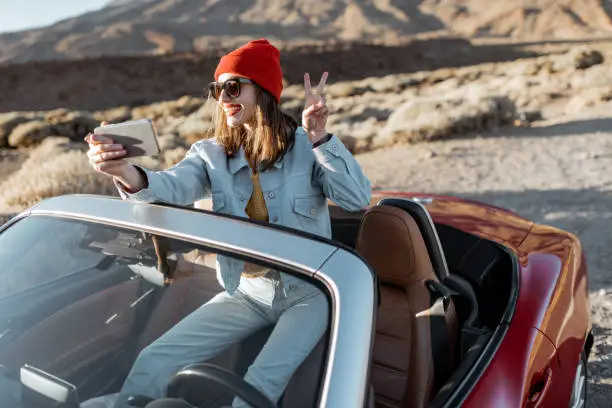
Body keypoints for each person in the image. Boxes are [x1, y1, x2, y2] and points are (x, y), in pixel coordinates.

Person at [85, 38, 371, 407]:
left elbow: (356, 199)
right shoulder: (210, 154)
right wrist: (124, 171)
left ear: (264, 91)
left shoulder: (307, 146)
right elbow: (168, 188)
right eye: (216, 89)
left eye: (233, 87)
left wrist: (319, 137)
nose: (222, 98)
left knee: (260, 382)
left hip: (307, 294)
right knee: (154, 360)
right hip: (247, 291)